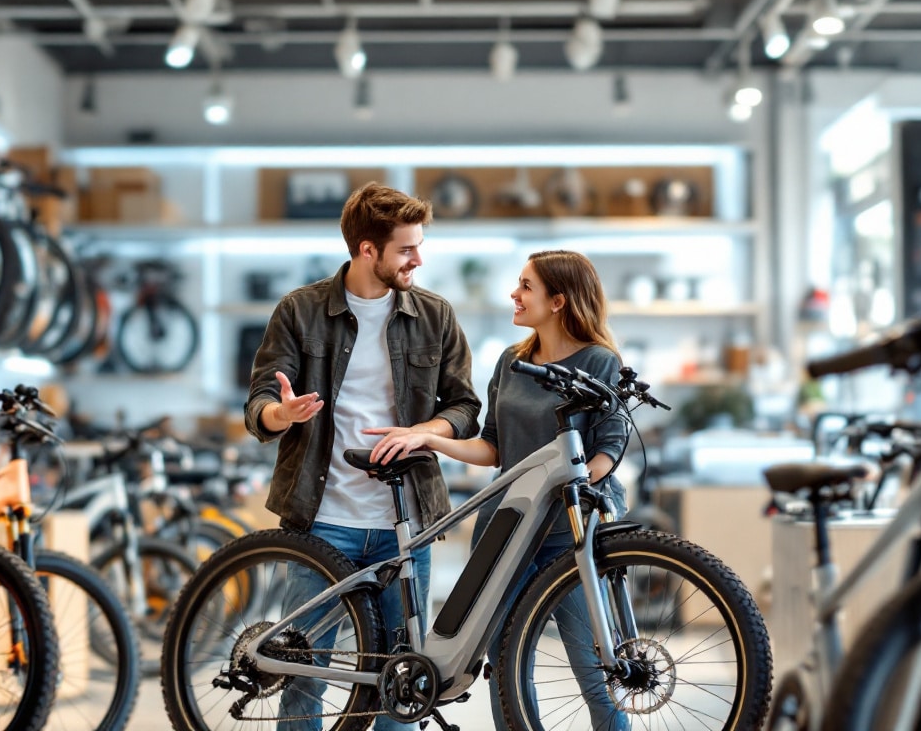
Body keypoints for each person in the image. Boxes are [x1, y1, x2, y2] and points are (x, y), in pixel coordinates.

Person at [243, 181, 482, 731]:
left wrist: (426, 431)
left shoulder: (435, 316)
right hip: (320, 523)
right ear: (366, 250)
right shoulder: (300, 311)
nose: (418, 259)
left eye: (419, 245)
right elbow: (258, 402)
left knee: (402, 681)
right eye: (405, 248)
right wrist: (283, 415)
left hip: (405, 526)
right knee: (304, 672)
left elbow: (465, 405)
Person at [367, 249, 631, 731]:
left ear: (558, 301)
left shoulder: (600, 360)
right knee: (502, 664)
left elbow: (609, 448)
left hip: (565, 536)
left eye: (526, 286)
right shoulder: (513, 361)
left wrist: (571, 488)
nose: (514, 293)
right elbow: (492, 448)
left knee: (594, 668)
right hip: (506, 528)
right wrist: (432, 438)